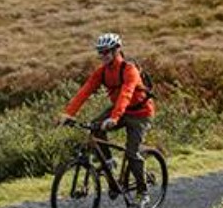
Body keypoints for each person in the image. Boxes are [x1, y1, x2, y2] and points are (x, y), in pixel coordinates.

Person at [61, 32, 155, 196]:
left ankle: (143, 191)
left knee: (132, 154)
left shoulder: (129, 69)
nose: (102, 55)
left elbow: (126, 93)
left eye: (106, 51)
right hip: (119, 110)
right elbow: (85, 91)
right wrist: (68, 114)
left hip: (140, 113)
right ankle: (109, 162)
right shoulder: (102, 72)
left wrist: (114, 117)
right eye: (100, 52)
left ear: (116, 50)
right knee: (95, 127)